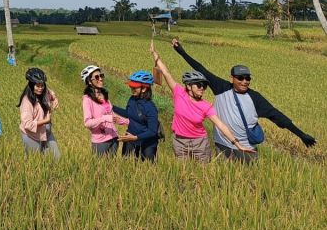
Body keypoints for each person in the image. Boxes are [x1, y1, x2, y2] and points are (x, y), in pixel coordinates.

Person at [172, 37, 316, 162]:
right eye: (240, 78)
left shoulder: (255, 98)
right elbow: (201, 69)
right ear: (232, 78)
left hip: (246, 149)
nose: (244, 81)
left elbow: (278, 116)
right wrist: (181, 52)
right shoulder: (221, 87)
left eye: (247, 78)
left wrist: (301, 135)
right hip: (222, 145)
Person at [149, 42, 253, 161]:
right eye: (198, 85)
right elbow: (166, 72)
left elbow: (220, 125)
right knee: (183, 172)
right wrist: (154, 53)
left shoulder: (206, 106)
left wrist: (237, 144)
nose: (202, 88)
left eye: (204, 85)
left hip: (200, 143)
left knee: (203, 173)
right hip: (179, 141)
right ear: (188, 86)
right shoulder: (179, 93)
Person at [112, 70, 161, 161]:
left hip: (147, 144)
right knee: (126, 166)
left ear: (144, 88)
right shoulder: (132, 99)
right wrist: (112, 107)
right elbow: (128, 113)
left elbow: (152, 131)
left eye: (135, 87)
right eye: (131, 86)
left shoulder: (150, 108)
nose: (132, 89)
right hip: (130, 138)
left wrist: (135, 137)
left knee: (147, 170)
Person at [81, 64, 126, 156]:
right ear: (89, 81)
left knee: (112, 169)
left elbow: (113, 116)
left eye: (101, 76)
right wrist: (104, 118)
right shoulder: (87, 99)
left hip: (114, 139)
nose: (100, 79)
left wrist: (129, 122)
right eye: (97, 77)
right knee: (100, 169)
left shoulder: (104, 96)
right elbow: (87, 123)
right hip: (100, 142)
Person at [17, 67, 61, 159]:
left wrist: (55, 99)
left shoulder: (44, 92)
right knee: (35, 161)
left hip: (46, 132)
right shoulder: (27, 102)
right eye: (37, 86)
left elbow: (51, 93)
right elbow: (27, 124)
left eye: (42, 85)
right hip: (31, 136)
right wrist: (46, 121)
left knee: (57, 157)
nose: (40, 88)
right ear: (31, 85)